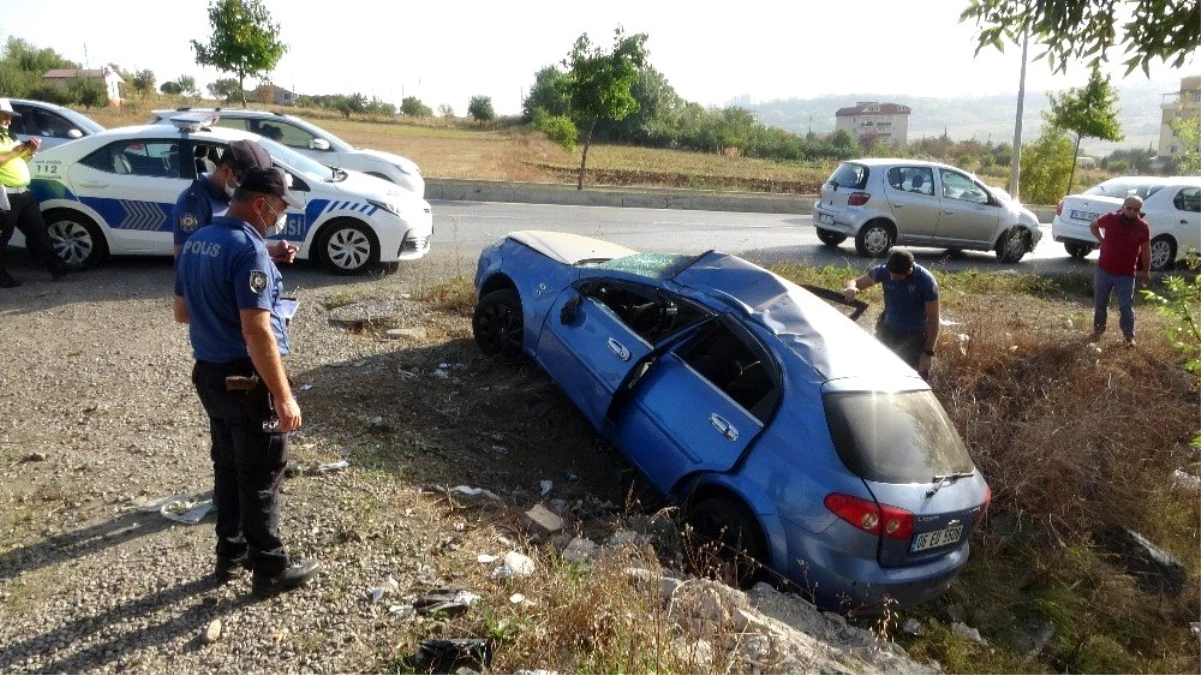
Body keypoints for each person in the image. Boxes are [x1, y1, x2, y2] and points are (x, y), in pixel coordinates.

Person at [174, 167, 319, 597]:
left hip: (210, 374)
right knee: (261, 471)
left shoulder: (198, 240)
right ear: (261, 204)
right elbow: (257, 332)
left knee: (228, 465)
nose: (279, 218)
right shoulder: (248, 250)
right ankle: (270, 568)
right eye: (278, 209)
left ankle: (230, 555)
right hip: (248, 378)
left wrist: (234, 295)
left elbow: (182, 312)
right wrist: (283, 394)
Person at [171, 139, 297, 264]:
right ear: (226, 170)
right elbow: (185, 258)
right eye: (245, 180)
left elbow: (234, 246)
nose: (252, 188)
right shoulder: (194, 202)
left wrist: (270, 252)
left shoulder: (235, 197)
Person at [0, 98, 68, 288]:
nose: (8, 120)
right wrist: (15, 152)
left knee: (38, 231)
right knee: (3, 238)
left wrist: (29, 151)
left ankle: (56, 267)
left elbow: (18, 161)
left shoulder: (8, 136)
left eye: (10, 117)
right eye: (5, 116)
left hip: (23, 194)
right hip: (5, 195)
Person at [843, 249, 940, 378]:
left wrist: (927, 353)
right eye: (891, 274)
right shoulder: (883, 271)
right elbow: (854, 282)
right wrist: (851, 288)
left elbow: (933, 319)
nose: (892, 279)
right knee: (878, 373)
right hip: (887, 331)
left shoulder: (926, 282)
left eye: (898, 277)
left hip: (913, 337)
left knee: (907, 379)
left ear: (909, 271)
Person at [1089, 196, 1151, 346]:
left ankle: (1129, 337)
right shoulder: (1110, 218)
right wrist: (1102, 240)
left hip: (1126, 274)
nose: (1131, 212)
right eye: (1129, 208)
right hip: (1104, 270)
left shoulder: (1142, 227)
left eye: (1135, 210)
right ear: (1123, 206)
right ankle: (1098, 331)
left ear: (1139, 211)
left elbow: (1146, 250)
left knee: (1125, 307)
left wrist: (1146, 271)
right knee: (1100, 303)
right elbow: (1093, 225)